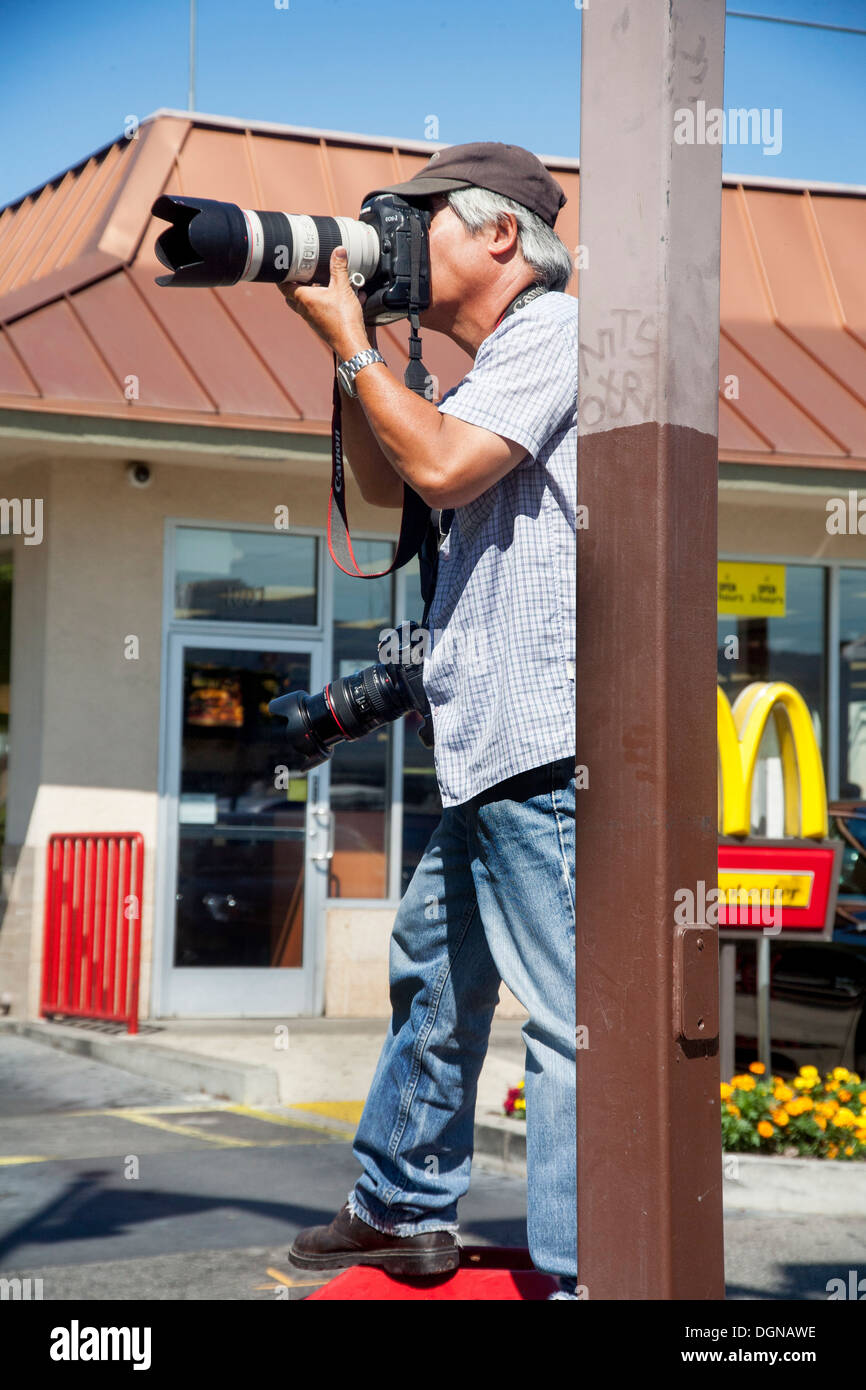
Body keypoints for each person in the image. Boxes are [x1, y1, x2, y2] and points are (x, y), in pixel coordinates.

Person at [278, 142, 578, 1299]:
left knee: (562, 1025)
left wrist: (352, 337)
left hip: (542, 744)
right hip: (489, 742)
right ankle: (401, 1207)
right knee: (434, 972)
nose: (396, 247)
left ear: (501, 235)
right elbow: (388, 474)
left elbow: (442, 465)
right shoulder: (502, 357)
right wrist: (348, 345)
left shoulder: (555, 332)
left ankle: (578, 1266)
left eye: (417, 225)